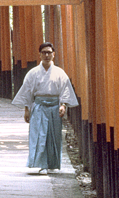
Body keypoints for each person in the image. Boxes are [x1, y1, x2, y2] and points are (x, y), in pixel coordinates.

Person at [11, 42, 79, 174]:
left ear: (53, 54)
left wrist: (63, 105)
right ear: (40, 54)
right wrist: (27, 109)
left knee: (53, 135)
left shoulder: (60, 73)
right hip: (39, 106)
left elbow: (65, 90)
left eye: (49, 52)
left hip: (54, 106)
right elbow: (27, 91)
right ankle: (40, 163)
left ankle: (51, 163)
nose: (47, 55)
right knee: (39, 134)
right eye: (44, 52)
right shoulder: (33, 73)